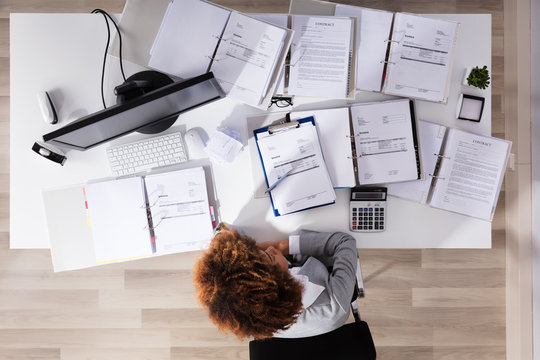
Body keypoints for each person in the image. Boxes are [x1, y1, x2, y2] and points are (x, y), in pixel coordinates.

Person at [192, 223, 358, 339]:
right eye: (270, 256)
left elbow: (226, 230)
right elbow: (345, 242)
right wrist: (283, 247)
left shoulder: (249, 311)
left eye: (260, 251)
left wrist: (230, 251)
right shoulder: (334, 305)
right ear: (281, 285)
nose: (269, 248)